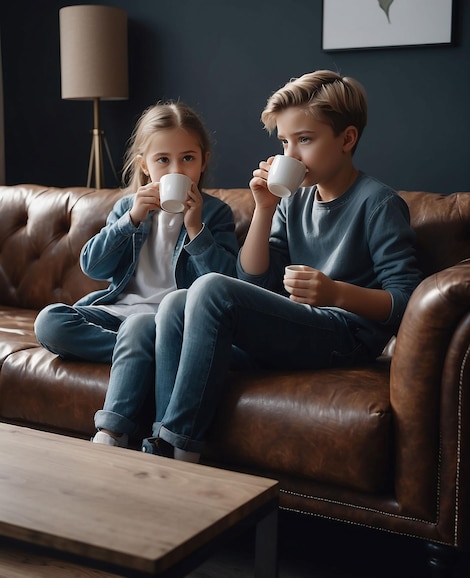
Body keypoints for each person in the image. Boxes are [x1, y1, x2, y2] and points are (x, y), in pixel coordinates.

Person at [141, 70, 423, 464]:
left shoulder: (378, 204)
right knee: (176, 304)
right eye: (285, 142)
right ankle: (158, 441)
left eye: (304, 140)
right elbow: (256, 277)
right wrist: (264, 208)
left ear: (347, 139)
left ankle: (181, 446)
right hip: (299, 327)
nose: (290, 155)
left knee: (210, 288)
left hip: (344, 337)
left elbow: (407, 299)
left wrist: (336, 293)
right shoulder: (292, 202)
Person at [34, 101, 239, 448]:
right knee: (49, 322)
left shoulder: (216, 214)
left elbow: (224, 282)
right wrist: (130, 220)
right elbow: (92, 266)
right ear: (145, 165)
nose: (177, 169)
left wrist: (195, 228)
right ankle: (144, 350)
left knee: (142, 327)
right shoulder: (127, 208)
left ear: (203, 161)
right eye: (163, 160)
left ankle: (112, 433)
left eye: (187, 158)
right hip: (119, 313)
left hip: (172, 325)